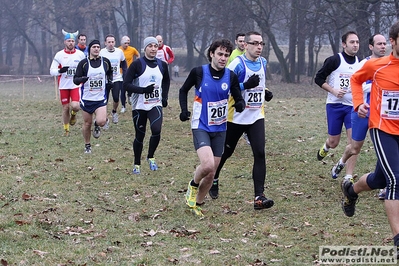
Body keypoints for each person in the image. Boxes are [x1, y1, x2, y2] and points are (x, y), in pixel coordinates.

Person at [341, 21, 399, 258]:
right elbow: (356, 80)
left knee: (379, 178)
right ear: (393, 41)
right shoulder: (377, 66)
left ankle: (352, 191)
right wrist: (358, 104)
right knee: (396, 180)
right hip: (382, 127)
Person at [209, 31, 274, 210]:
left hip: (256, 115)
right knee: (226, 153)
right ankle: (214, 176)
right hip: (236, 117)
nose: (259, 47)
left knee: (260, 153)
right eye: (255, 43)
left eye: (261, 43)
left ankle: (259, 197)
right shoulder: (237, 64)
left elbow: (259, 82)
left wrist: (264, 91)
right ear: (246, 45)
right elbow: (224, 88)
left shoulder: (263, 62)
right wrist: (246, 86)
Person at [179, 39, 245, 216]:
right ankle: (193, 184)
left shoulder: (230, 76)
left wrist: (240, 103)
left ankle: (197, 203)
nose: (223, 58)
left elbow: (238, 96)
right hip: (200, 125)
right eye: (220, 54)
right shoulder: (199, 72)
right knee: (207, 165)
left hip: (220, 128)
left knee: (211, 173)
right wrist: (184, 110)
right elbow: (183, 90)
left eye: (226, 55)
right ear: (212, 54)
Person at [331, 34, 387, 180]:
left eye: (384, 44)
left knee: (384, 148)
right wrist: (375, 86)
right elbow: (355, 85)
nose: (382, 47)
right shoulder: (363, 64)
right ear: (371, 47)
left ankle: (386, 182)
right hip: (363, 111)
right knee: (355, 148)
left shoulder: (388, 64)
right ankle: (342, 161)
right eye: (379, 44)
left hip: (381, 113)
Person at [315, 31, 361, 181]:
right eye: (352, 42)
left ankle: (348, 175)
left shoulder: (360, 64)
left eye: (357, 42)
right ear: (344, 44)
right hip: (334, 106)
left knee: (353, 143)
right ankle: (326, 146)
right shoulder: (335, 60)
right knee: (334, 142)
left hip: (351, 108)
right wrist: (333, 90)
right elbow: (318, 78)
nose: (355, 45)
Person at [123, 36, 170, 174]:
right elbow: (126, 85)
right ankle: (137, 163)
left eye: (155, 46)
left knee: (156, 130)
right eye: (150, 46)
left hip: (155, 104)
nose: (153, 49)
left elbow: (166, 80)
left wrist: (165, 96)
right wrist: (143, 90)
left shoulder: (162, 65)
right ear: (145, 48)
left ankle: (151, 157)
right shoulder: (137, 64)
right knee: (140, 135)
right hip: (139, 106)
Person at [73, 40, 113, 153]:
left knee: (102, 121)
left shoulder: (105, 62)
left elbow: (110, 72)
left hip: (100, 99)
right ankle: (87, 145)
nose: (96, 49)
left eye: (98, 47)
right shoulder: (83, 63)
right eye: (94, 47)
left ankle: (97, 124)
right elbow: (75, 79)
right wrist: (82, 79)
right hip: (86, 99)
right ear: (89, 49)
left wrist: (110, 81)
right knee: (87, 123)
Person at [50, 29, 85, 136]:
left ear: (75, 42)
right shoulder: (59, 55)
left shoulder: (80, 54)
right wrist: (60, 71)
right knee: (65, 108)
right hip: (63, 85)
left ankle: (73, 115)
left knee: (75, 106)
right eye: (68, 41)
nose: (71, 43)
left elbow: (85, 68)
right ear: (65, 42)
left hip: (75, 85)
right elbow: (52, 71)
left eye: (72, 41)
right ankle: (66, 130)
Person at [100, 34, 127, 124]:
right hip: (105, 80)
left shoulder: (119, 52)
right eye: (109, 42)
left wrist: (125, 73)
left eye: (112, 42)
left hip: (116, 78)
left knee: (116, 98)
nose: (111, 44)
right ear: (105, 43)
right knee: (105, 100)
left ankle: (114, 111)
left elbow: (124, 63)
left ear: (115, 42)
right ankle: (105, 118)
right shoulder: (101, 52)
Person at [228, 33, 249, 145]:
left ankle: (248, 133)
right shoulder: (232, 55)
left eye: (244, 41)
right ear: (236, 42)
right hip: (234, 89)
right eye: (240, 41)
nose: (242, 43)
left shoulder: (249, 54)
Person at [119, 35, 140, 113]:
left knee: (130, 86)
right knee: (122, 89)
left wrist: (136, 64)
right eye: (125, 43)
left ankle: (130, 95)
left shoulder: (132, 49)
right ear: (121, 42)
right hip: (121, 72)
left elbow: (138, 55)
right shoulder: (118, 50)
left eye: (128, 43)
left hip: (129, 72)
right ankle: (123, 106)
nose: (126, 45)